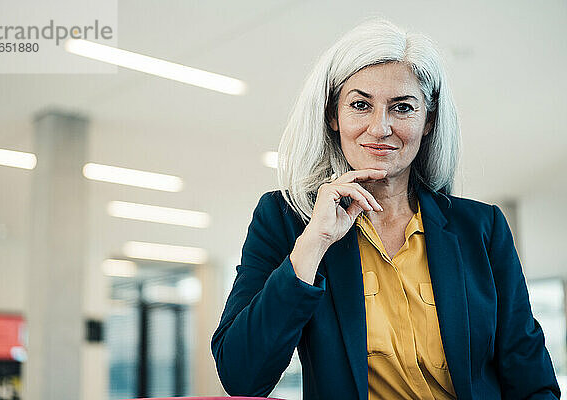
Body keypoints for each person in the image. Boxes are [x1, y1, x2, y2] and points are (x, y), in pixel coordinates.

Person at [211, 18, 560, 400]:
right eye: (360, 105)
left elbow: (532, 381)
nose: (380, 127)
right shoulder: (285, 218)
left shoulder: (481, 227)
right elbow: (241, 375)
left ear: (428, 120)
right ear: (333, 115)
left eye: (402, 108)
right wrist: (314, 242)